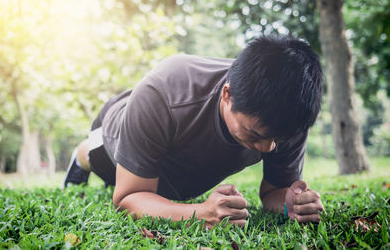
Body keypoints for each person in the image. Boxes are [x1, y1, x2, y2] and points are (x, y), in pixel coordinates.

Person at [63, 35, 324, 227]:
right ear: (227, 95)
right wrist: (200, 213)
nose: (268, 148)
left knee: (165, 195)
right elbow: (129, 197)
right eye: (255, 134)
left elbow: (272, 193)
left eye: (277, 140)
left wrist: (293, 203)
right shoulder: (164, 92)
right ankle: (81, 156)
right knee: (100, 160)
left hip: (182, 167)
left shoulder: (290, 116)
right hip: (115, 134)